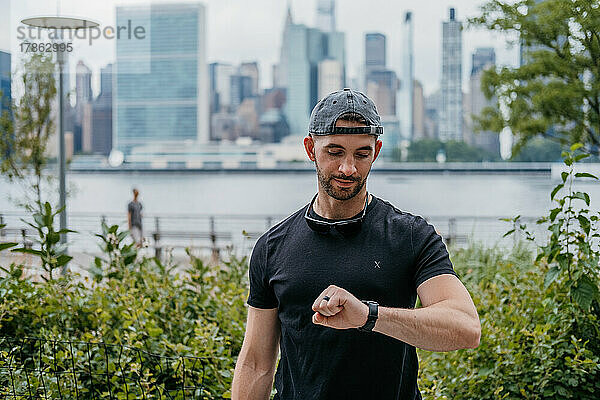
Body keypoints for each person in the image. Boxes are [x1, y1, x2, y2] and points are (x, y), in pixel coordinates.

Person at [231, 88, 481, 400]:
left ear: (375, 152)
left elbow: (465, 327)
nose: (348, 168)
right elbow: (256, 363)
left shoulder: (411, 235)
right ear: (310, 149)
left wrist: (368, 316)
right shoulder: (273, 246)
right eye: (334, 152)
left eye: (361, 154)